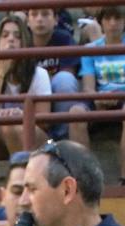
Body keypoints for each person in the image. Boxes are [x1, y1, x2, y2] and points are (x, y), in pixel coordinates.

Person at [71, 5, 125, 187]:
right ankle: (85, 179)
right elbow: (88, 87)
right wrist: (97, 98)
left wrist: (121, 96)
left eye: (117, 18)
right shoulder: (90, 49)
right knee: (75, 112)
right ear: (101, 22)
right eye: (108, 19)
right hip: (99, 99)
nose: (113, 23)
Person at [0, 15, 52, 163]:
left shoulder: (39, 74)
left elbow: (44, 121)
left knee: (11, 125)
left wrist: (22, 115)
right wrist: (0, 72)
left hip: (33, 140)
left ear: (24, 42)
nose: (10, 39)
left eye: (17, 36)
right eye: (5, 35)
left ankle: (21, 178)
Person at [24, 7, 85, 141]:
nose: (40, 19)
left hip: (55, 91)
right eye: (34, 14)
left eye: (45, 14)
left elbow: (68, 74)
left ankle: (62, 137)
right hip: (32, 93)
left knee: (65, 80)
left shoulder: (64, 38)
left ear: (56, 20)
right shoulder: (22, 41)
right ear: (27, 21)